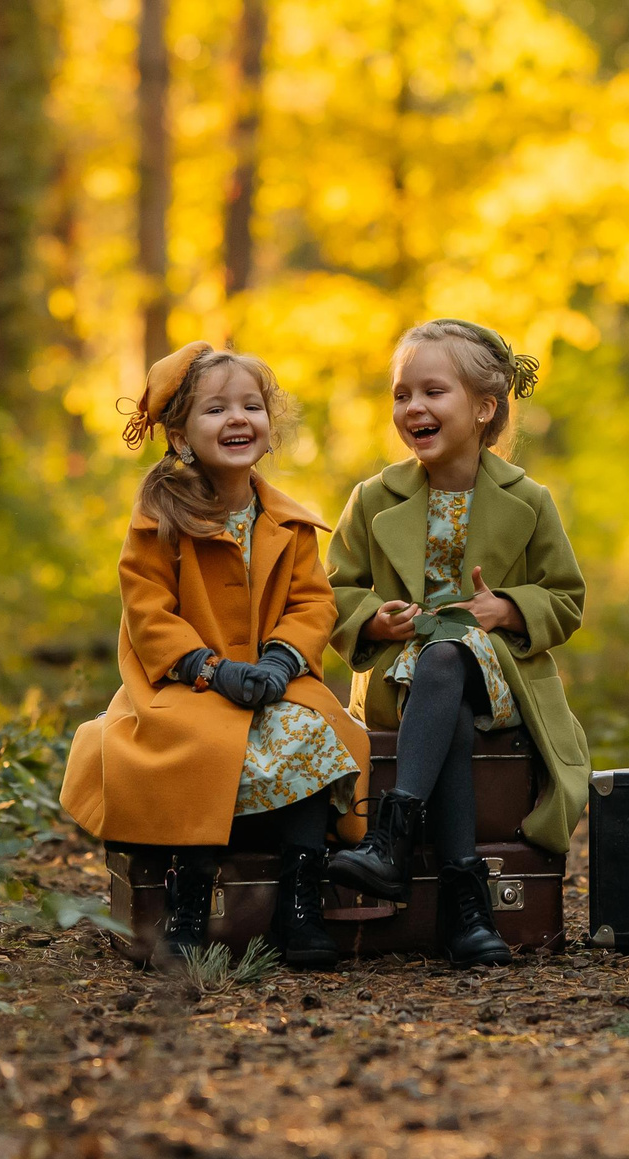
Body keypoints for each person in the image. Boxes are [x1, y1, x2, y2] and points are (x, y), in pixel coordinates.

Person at [60, 342, 369, 971]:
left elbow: (314, 604)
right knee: (193, 744)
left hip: (273, 680)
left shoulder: (288, 524)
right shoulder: (158, 520)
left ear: (269, 426)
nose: (237, 419)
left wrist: (282, 662)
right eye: (216, 409)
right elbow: (148, 612)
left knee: (313, 733)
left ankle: (301, 899)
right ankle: (189, 898)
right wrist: (208, 667)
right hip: (186, 683)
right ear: (179, 435)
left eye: (251, 407)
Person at [323, 319, 590, 966]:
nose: (413, 406)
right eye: (401, 394)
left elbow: (566, 597)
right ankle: (467, 908)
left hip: (498, 674)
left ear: (483, 407)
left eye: (432, 391)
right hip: (401, 678)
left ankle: (393, 840)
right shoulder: (371, 499)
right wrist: (373, 622)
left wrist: (507, 607)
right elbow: (336, 591)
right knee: (447, 704)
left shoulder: (528, 498)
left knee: (450, 655)